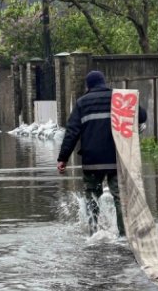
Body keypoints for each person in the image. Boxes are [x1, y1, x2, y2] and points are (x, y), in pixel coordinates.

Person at [56, 70, 147, 237]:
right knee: (120, 197)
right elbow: (142, 116)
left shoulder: (82, 103)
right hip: (116, 159)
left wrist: (63, 158)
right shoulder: (119, 98)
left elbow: (71, 133)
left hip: (92, 160)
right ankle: (124, 236)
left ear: (88, 86)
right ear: (104, 83)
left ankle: (93, 233)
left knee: (92, 196)